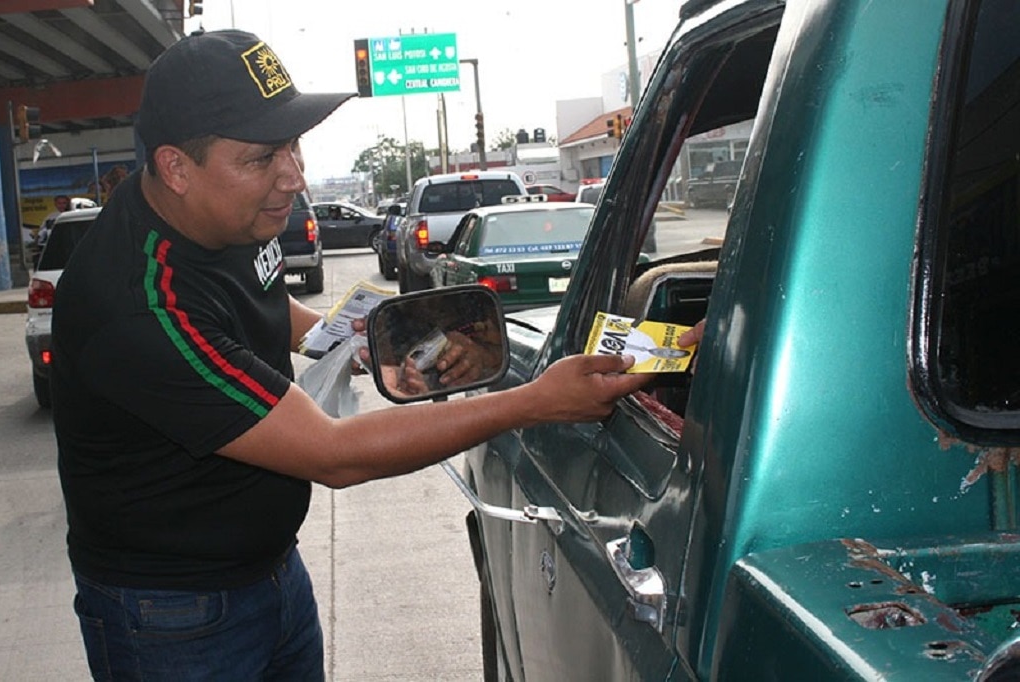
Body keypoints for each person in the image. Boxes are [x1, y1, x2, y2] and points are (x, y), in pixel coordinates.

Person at [50, 29, 650, 682]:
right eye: (262, 157)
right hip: (173, 616)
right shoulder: (137, 306)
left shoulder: (223, 217)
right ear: (175, 167)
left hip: (272, 572)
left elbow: (265, 302)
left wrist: (361, 341)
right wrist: (534, 402)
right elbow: (333, 454)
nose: (294, 177)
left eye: (293, 145)